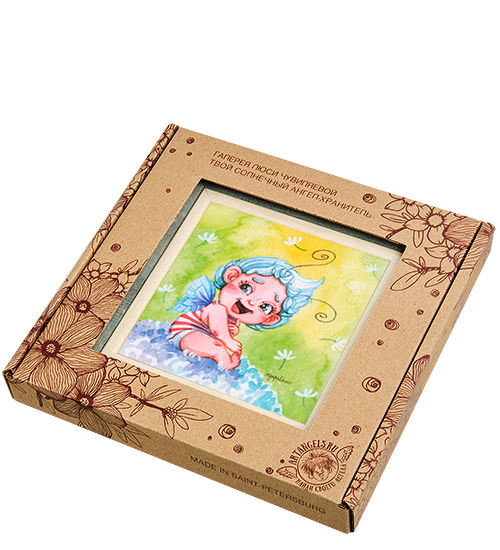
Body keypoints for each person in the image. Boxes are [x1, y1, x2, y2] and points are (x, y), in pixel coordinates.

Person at [168, 256, 323, 370]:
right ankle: (226, 363)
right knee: (217, 346)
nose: (251, 302)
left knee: (216, 346)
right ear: (232, 276)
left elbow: (218, 331)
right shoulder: (217, 308)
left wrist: (228, 334)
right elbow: (216, 324)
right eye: (246, 288)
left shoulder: (234, 320)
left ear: (270, 319)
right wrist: (227, 339)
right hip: (186, 332)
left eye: (265, 307)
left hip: (201, 338)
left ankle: (224, 361)